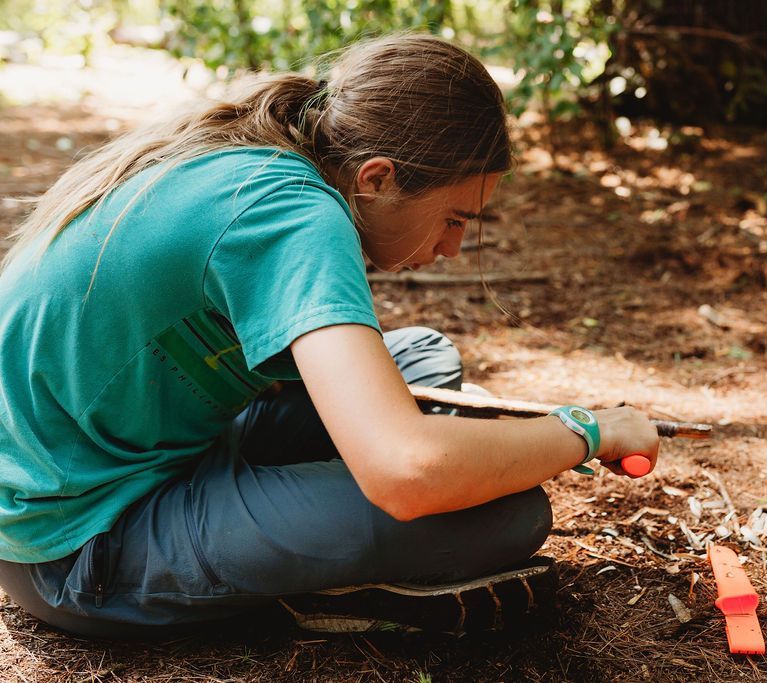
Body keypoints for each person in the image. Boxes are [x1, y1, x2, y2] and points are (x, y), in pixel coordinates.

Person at [0, 33, 659, 640]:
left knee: (427, 356)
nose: (454, 248)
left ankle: (306, 531)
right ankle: (327, 590)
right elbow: (406, 469)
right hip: (74, 543)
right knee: (510, 516)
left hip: (157, 443)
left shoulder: (268, 160)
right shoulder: (296, 215)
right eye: (455, 218)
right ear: (377, 177)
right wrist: (584, 430)